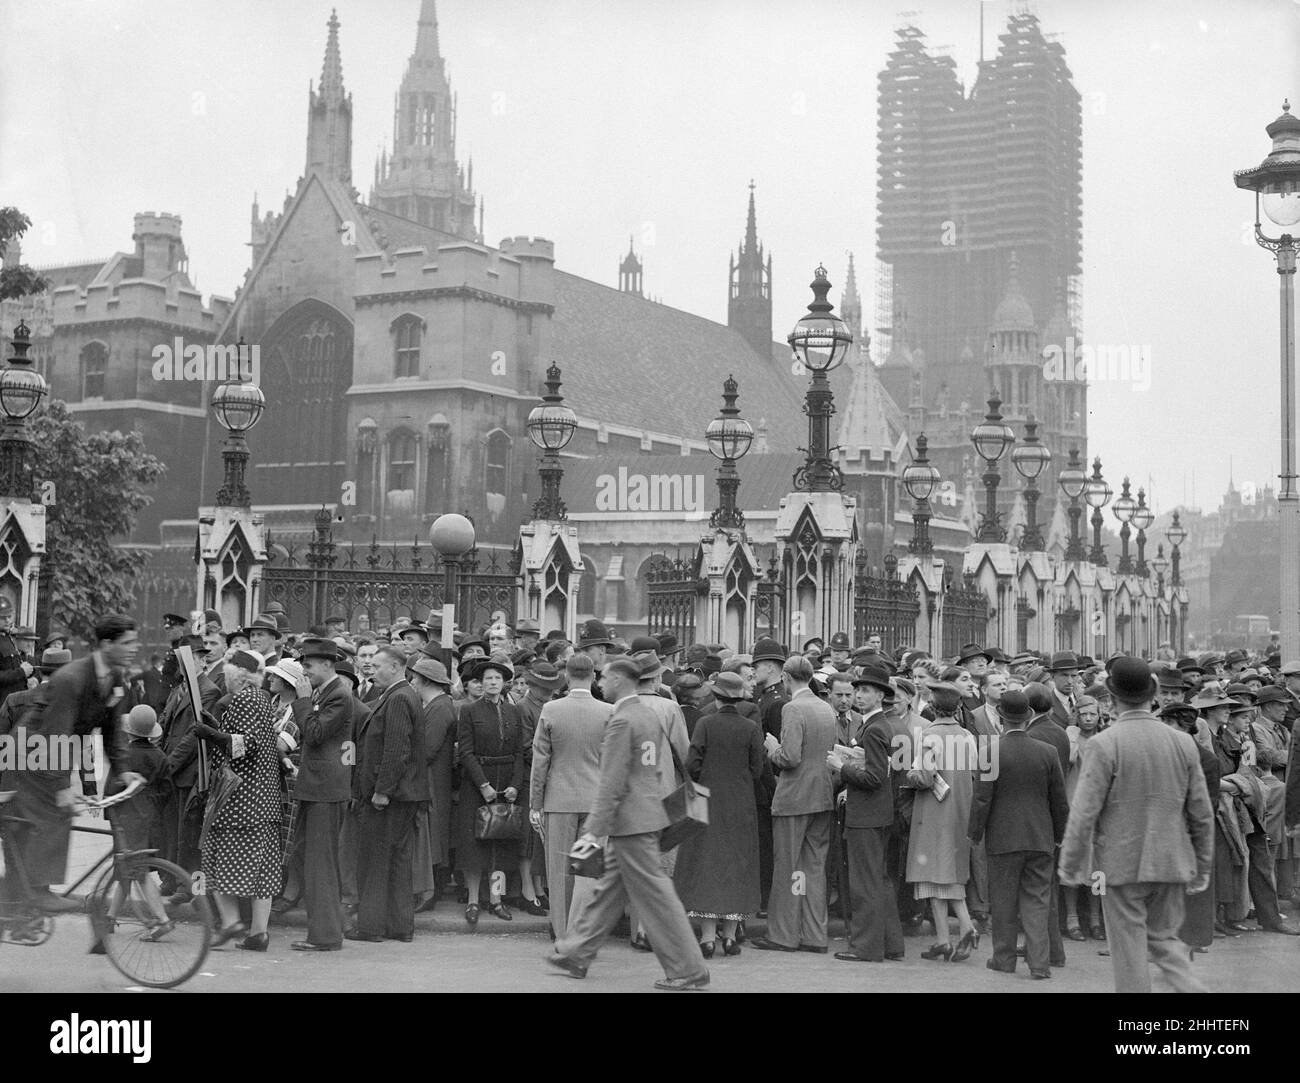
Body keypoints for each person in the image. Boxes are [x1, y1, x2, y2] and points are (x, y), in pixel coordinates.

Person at [547, 657, 710, 990]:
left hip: (630, 823)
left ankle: (688, 969)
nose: (601, 683)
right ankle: (576, 952)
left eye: (605, 678)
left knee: (658, 901)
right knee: (607, 892)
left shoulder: (621, 720)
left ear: (621, 680)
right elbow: (659, 770)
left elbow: (612, 782)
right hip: (646, 816)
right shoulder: (649, 714)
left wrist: (594, 829)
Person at [1058, 657, 1213, 993]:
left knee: (1128, 952)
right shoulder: (1183, 742)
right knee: (1166, 942)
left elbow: (1084, 812)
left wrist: (1070, 864)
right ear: (1154, 692)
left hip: (1121, 864)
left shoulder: (1104, 744)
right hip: (1171, 860)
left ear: (1111, 698)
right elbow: (1201, 812)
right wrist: (1202, 865)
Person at [969, 691, 1068, 980]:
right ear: (1028, 718)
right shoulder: (1047, 752)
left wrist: (975, 833)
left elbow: (982, 799)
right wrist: (1059, 834)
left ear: (1000, 718)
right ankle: (1040, 963)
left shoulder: (989, 752)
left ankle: (1004, 958)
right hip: (1040, 837)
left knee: (1003, 901)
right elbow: (1059, 800)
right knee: (1037, 900)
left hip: (1003, 839)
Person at [193, 649, 284, 952]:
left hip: (242, 800)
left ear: (237, 675)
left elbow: (246, 744)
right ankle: (258, 933)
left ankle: (231, 922)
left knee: (217, 861)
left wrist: (211, 735)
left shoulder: (244, 699)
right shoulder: (261, 698)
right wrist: (217, 729)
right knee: (263, 870)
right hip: (264, 799)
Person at [672, 671, 765, 957]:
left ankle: (708, 937)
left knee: (708, 864)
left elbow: (693, 763)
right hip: (741, 802)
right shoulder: (750, 728)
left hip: (709, 799)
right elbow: (757, 769)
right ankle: (730, 935)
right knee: (737, 864)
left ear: (716, 695)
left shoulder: (705, 723)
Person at [751, 655, 837, 954]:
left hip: (794, 797)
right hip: (822, 794)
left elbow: (790, 758)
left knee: (787, 867)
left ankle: (784, 934)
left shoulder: (793, 708)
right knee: (813, 867)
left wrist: (772, 747)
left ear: (786, 678)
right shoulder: (826, 708)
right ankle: (815, 934)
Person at [529, 652, 610, 940]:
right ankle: (584, 931)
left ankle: (562, 932)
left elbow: (540, 762)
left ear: (566, 676)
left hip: (559, 799)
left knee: (559, 871)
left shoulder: (551, 710)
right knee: (588, 871)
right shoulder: (608, 712)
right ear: (593, 676)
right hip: (595, 800)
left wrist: (535, 803)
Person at [350, 645, 427, 943]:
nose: (371, 669)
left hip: (390, 797)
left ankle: (371, 928)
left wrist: (383, 791)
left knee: (377, 861)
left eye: (378, 665)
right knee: (396, 860)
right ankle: (399, 926)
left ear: (396, 667)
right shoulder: (401, 695)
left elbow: (396, 749)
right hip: (401, 795)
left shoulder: (397, 698)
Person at [830, 662, 904, 963]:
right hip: (879, 813)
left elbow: (874, 778)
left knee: (865, 882)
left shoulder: (873, 728)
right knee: (880, 879)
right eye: (858, 690)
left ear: (880, 696)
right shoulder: (878, 724)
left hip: (867, 815)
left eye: (866, 691)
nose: (859, 695)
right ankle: (891, 943)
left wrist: (841, 767)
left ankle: (866, 946)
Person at [285, 639, 353, 952]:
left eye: (308, 665)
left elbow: (313, 733)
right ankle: (331, 926)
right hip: (319, 788)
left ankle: (325, 935)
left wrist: (300, 702)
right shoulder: (327, 692)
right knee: (312, 858)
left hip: (325, 790)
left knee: (320, 864)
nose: (304, 672)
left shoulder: (337, 694)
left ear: (327, 664)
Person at [905, 681, 980, 962]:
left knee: (934, 872)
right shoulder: (967, 737)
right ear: (958, 707)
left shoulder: (928, 735)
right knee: (945, 873)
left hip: (933, 811)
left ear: (932, 708)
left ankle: (965, 928)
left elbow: (924, 777)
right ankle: (943, 939)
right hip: (960, 810)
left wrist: (908, 774)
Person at [456, 652, 529, 924]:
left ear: (504, 683)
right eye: (487, 678)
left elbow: (520, 752)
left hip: (506, 781)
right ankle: (474, 900)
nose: (492, 682)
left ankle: (496, 900)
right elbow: (465, 751)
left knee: (501, 844)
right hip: (477, 784)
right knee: (474, 845)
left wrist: (514, 786)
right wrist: (483, 784)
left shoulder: (513, 711)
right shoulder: (469, 711)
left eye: (497, 678)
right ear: (480, 683)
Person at [408, 657, 456, 912]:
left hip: (432, 782)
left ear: (426, 680)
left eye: (416, 678)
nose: (412, 681)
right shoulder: (437, 705)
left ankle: (430, 893)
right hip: (431, 781)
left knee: (433, 836)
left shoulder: (439, 708)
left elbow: (426, 749)